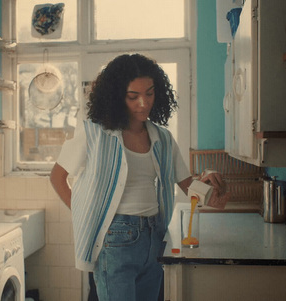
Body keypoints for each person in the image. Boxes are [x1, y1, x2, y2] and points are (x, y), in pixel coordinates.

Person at [50, 53, 193, 301]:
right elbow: (57, 177)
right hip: (115, 239)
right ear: (117, 96)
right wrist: (82, 211)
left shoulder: (163, 138)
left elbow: (188, 185)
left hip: (154, 236)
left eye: (149, 93)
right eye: (133, 96)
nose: (143, 103)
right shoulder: (94, 133)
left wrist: (209, 186)